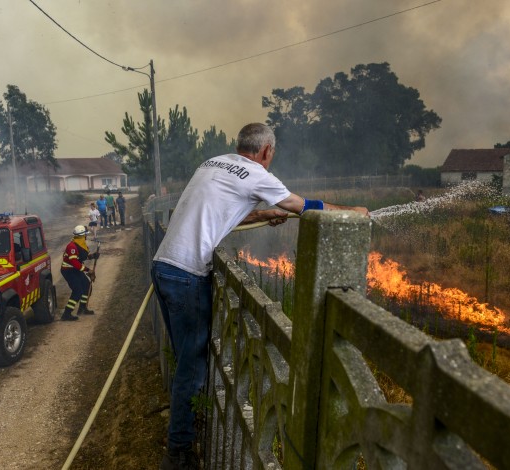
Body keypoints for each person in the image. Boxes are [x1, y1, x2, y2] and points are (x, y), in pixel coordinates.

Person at [151, 123, 368, 469]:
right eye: (272, 154)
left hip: (163, 266)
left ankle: (188, 426)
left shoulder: (212, 164)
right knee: (192, 368)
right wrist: (352, 212)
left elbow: (219, 214)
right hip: (187, 275)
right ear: (266, 151)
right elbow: (304, 206)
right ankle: (178, 455)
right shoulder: (256, 174)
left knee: (186, 365)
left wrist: (264, 213)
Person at [60, 225, 99, 321]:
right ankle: (66, 313)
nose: (86, 237)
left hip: (76, 269)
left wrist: (93, 256)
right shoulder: (71, 246)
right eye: (85, 235)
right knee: (77, 291)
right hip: (68, 270)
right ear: (81, 236)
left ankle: (82, 308)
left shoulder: (81, 244)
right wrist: (88, 270)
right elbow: (74, 262)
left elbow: (82, 257)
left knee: (86, 285)